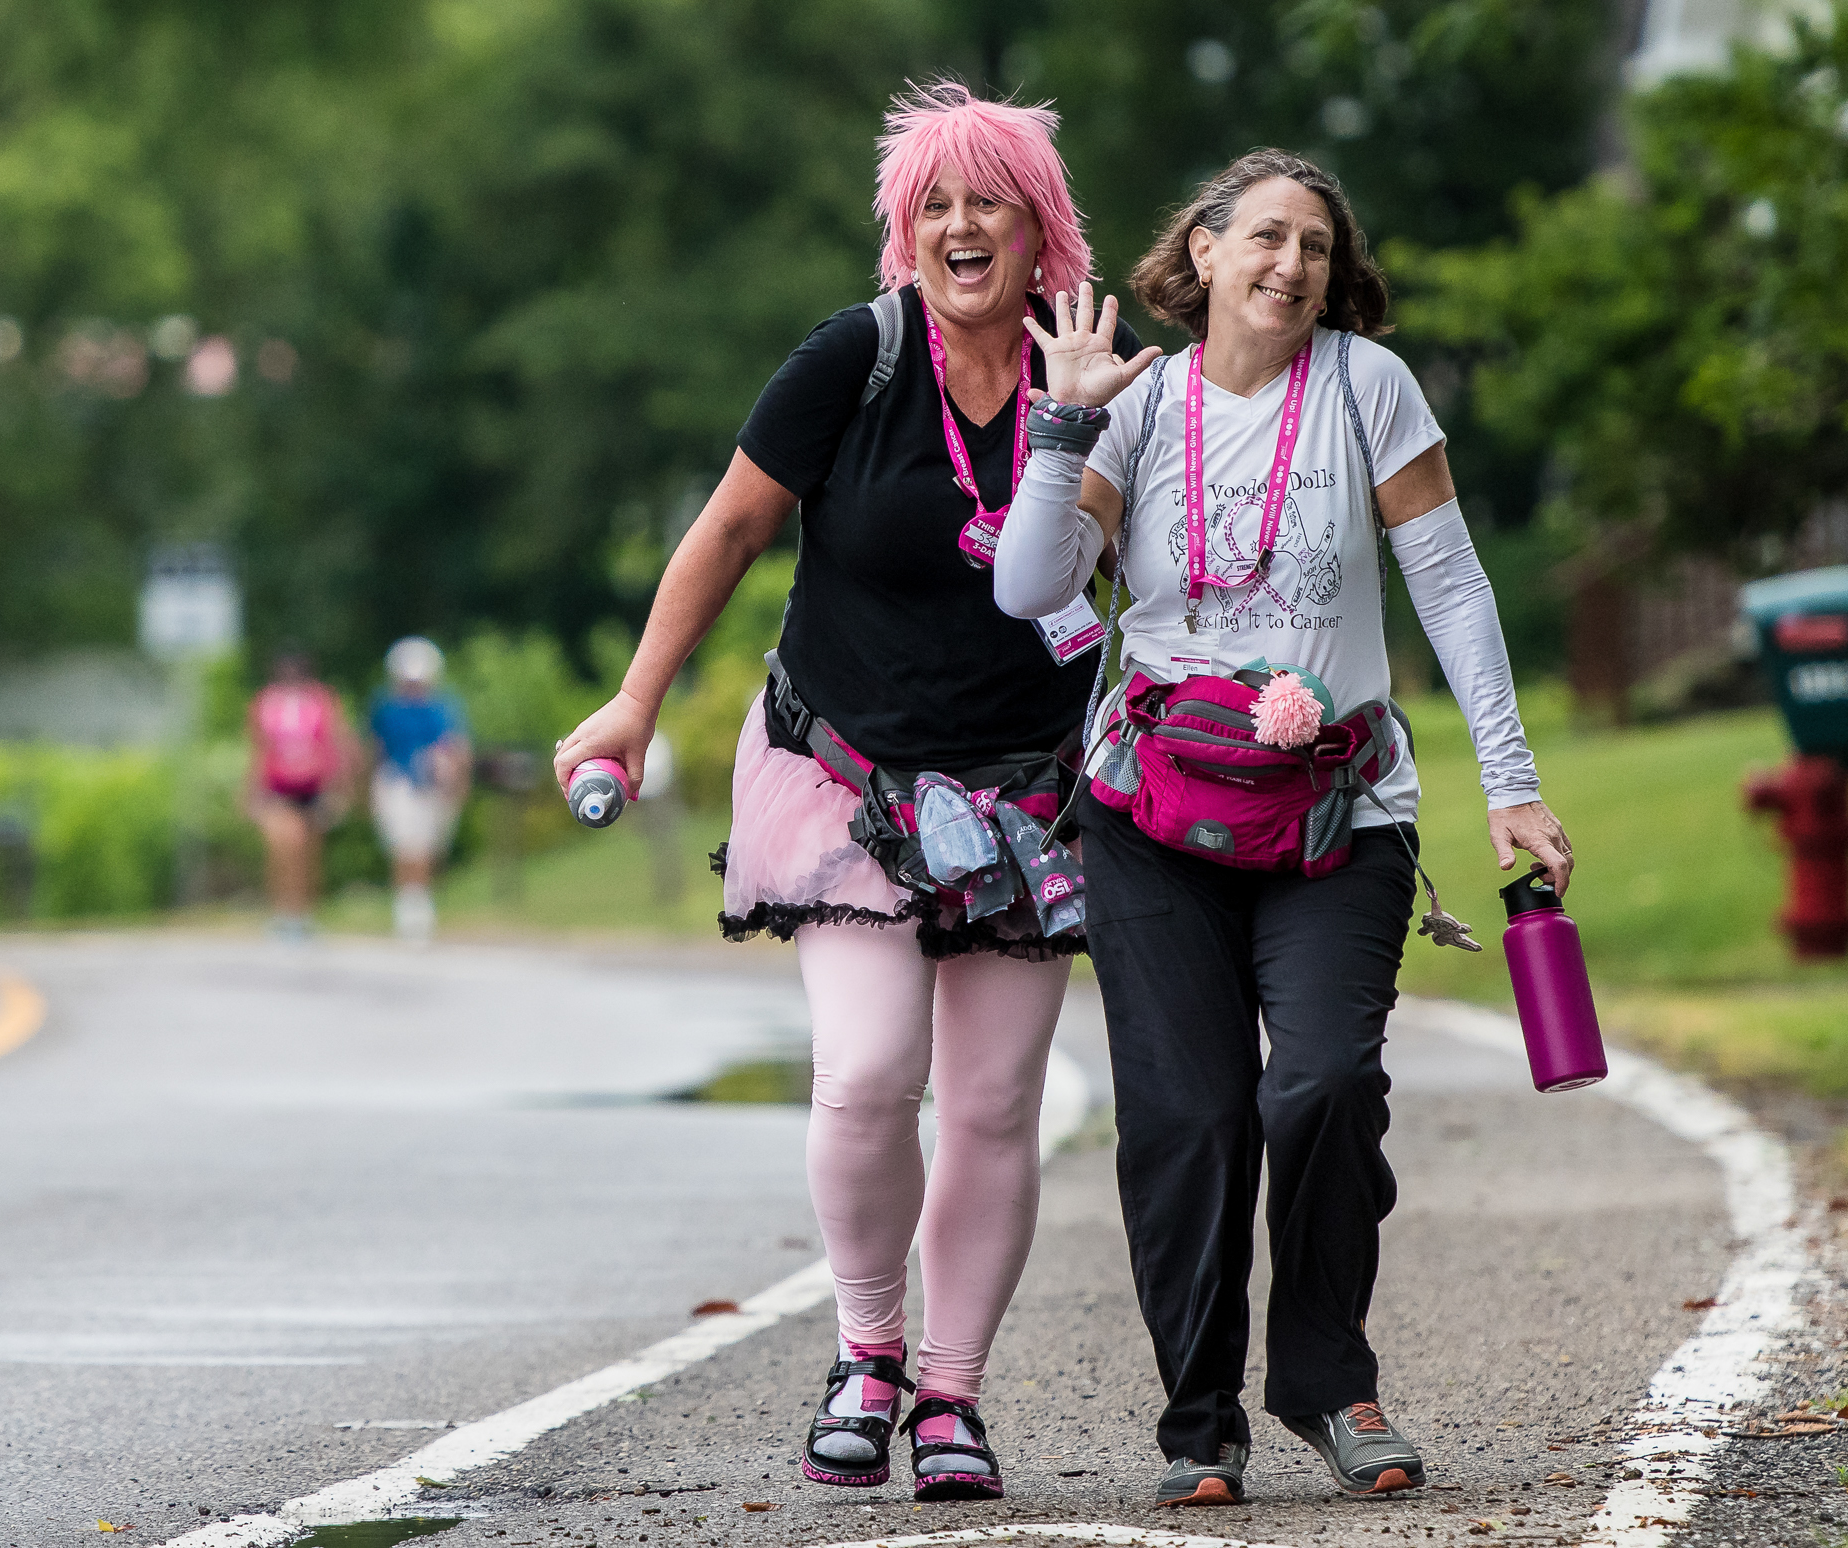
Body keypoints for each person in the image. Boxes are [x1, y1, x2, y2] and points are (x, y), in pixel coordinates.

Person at [553, 84, 1151, 1503]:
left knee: (996, 1103)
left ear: (1037, 228)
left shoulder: (1109, 381)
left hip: (1025, 791)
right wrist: (634, 705)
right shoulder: (854, 362)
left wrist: (1083, 440)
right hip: (847, 769)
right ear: (905, 231)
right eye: (931, 204)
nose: (958, 227)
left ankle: (951, 1395)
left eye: (986, 201)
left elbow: (1140, 580)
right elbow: (728, 530)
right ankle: (866, 1351)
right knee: (871, 1071)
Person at [992, 149, 1575, 1507]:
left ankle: (1326, 1382)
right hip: (1149, 819)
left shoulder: (1368, 389)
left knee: (1318, 1084)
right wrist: (1061, 429)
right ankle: (1199, 1424)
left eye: (1313, 245)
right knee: (1187, 1120)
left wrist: (1511, 781)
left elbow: (1453, 591)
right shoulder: (1133, 408)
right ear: (1199, 254)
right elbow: (1030, 589)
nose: (1289, 265)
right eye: (1261, 237)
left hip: (1338, 809)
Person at [244, 652, 355, 938]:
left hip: (313, 786)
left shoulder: (322, 701)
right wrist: (250, 791)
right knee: (283, 846)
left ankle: (303, 914)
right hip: (278, 786)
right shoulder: (265, 703)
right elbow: (258, 749)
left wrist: (339, 787)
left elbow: (336, 744)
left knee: (308, 853)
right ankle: (281, 912)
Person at [367, 636, 470, 942]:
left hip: (433, 786)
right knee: (406, 846)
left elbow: (455, 748)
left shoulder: (442, 707)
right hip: (398, 781)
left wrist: (456, 782)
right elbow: (376, 747)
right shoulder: (387, 707)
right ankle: (410, 911)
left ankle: (419, 905)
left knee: (426, 847)